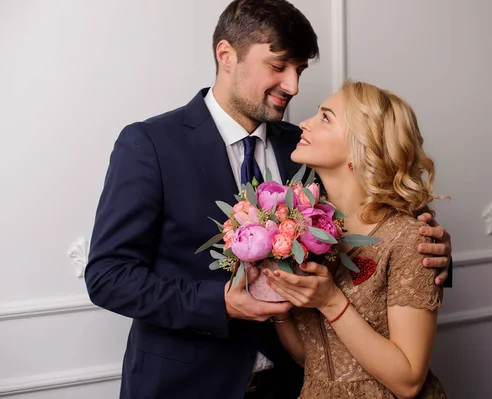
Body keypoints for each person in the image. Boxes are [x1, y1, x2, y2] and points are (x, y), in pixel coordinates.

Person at [84, 1, 452, 398]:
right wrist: (220, 303)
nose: (293, 86)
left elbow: (374, 227)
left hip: (295, 384)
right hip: (184, 385)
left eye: (300, 70)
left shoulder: (304, 147)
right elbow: (108, 276)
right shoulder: (151, 145)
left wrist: (435, 249)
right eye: (278, 67)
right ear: (226, 55)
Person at [264, 80, 448, 398]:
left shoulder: (409, 238)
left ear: (360, 148)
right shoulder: (304, 232)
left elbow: (408, 382)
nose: (304, 123)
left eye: (325, 117)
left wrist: (330, 300)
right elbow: (313, 358)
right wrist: (277, 302)